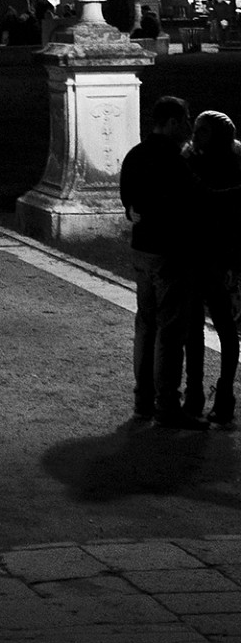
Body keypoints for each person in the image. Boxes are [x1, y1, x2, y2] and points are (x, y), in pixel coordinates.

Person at [120, 95, 200, 426]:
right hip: (169, 251)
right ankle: (168, 403)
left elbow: (128, 199)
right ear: (170, 123)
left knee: (146, 324)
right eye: (184, 120)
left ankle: (143, 399)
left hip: (143, 250)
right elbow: (193, 201)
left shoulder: (136, 155)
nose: (188, 127)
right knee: (170, 330)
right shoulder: (174, 161)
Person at [183, 110, 241, 426]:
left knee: (218, 327)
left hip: (216, 257)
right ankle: (201, 394)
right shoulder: (193, 159)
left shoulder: (227, 162)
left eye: (202, 132)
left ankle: (217, 394)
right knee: (200, 328)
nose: (196, 136)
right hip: (201, 255)